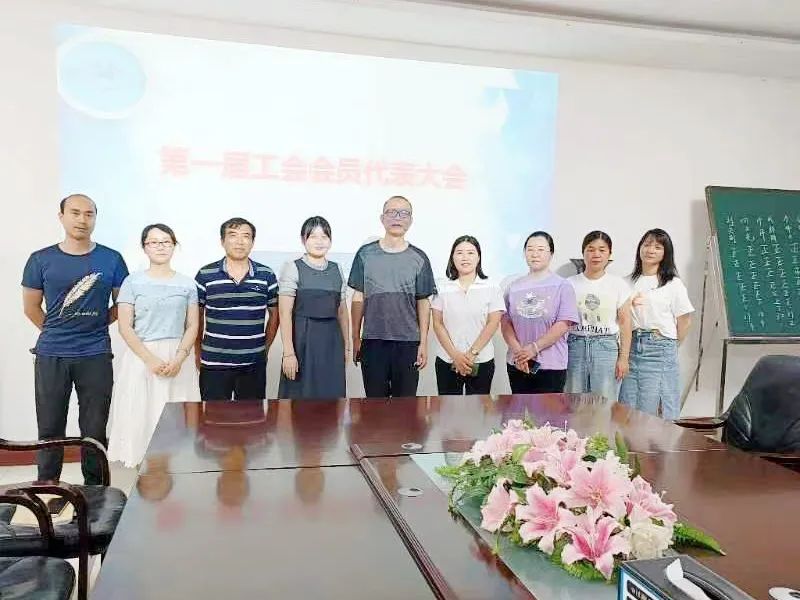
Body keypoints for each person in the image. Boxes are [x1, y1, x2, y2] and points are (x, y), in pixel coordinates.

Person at [21, 194, 129, 484]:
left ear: (95, 218)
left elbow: (122, 305)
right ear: (61, 216)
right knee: (50, 427)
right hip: (51, 355)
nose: (82, 219)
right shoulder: (40, 259)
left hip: (95, 354)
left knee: (94, 429)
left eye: (89, 214)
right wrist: (58, 330)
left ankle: (96, 490)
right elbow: (31, 307)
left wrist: (94, 326)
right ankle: (48, 487)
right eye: (75, 212)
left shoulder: (112, 258)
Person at [107, 224, 200, 467]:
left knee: (176, 416)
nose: (160, 247)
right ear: (145, 247)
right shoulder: (132, 282)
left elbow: (192, 325)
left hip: (177, 358)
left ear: (174, 246)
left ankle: (173, 469)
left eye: (166, 242)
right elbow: (125, 326)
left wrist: (179, 358)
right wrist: (150, 359)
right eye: (154, 242)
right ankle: (146, 474)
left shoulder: (187, 284)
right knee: (143, 413)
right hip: (142, 357)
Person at [348, 196, 436, 398]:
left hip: (408, 343)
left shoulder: (419, 258)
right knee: (375, 405)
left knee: (404, 407)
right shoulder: (365, 254)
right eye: (392, 212)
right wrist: (355, 337)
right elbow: (358, 297)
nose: (397, 217)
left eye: (404, 213)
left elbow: (423, 302)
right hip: (373, 341)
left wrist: (423, 342)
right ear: (382, 218)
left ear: (411, 220)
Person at [194, 218, 279, 401]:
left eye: (246, 236)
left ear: (252, 242)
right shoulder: (205, 274)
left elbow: (275, 315)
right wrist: (197, 352)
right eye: (233, 235)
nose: (240, 241)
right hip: (214, 363)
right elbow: (196, 318)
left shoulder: (266, 275)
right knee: (213, 416)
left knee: (252, 417)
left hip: (253, 364)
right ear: (222, 241)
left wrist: (264, 348)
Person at [619, 228, 694, 420]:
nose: (650, 250)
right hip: (631, 347)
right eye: (647, 245)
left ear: (665, 253)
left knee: (659, 406)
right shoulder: (626, 282)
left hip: (659, 347)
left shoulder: (673, 283)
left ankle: (659, 441)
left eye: (658, 247)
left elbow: (685, 320)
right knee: (629, 404)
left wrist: (670, 345)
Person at [278, 216, 348, 399]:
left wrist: (347, 347)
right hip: (302, 341)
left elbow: (342, 311)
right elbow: (284, 313)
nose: (319, 241)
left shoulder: (337, 269)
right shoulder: (293, 267)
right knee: (301, 399)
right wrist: (288, 353)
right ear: (304, 239)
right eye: (313, 236)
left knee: (331, 397)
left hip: (332, 343)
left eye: (324, 236)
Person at [501, 231, 578, 394]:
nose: (535, 254)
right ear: (524, 253)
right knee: (518, 410)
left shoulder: (562, 286)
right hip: (518, 364)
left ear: (551, 254)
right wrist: (518, 352)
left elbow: (563, 324)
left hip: (551, 366)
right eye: (530, 249)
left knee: (548, 411)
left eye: (541, 249)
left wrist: (534, 348)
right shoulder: (513, 287)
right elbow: (505, 323)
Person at [431, 235, 504, 395]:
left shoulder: (492, 287)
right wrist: (455, 355)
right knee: (448, 408)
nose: (465, 257)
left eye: (470, 253)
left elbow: (493, 323)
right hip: (447, 359)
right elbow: (437, 323)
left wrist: (471, 354)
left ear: (478, 257)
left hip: (481, 360)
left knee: (478, 408)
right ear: (452, 257)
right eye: (459, 253)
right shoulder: (442, 287)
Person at [565, 231, 632, 401]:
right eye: (591, 249)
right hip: (575, 346)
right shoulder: (569, 284)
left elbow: (625, 323)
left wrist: (624, 358)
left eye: (602, 250)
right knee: (574, 402)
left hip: (606, 348)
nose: (596, 254)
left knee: (605, 402)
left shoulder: (618, 284)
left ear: (609, 254)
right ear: (583, 253)